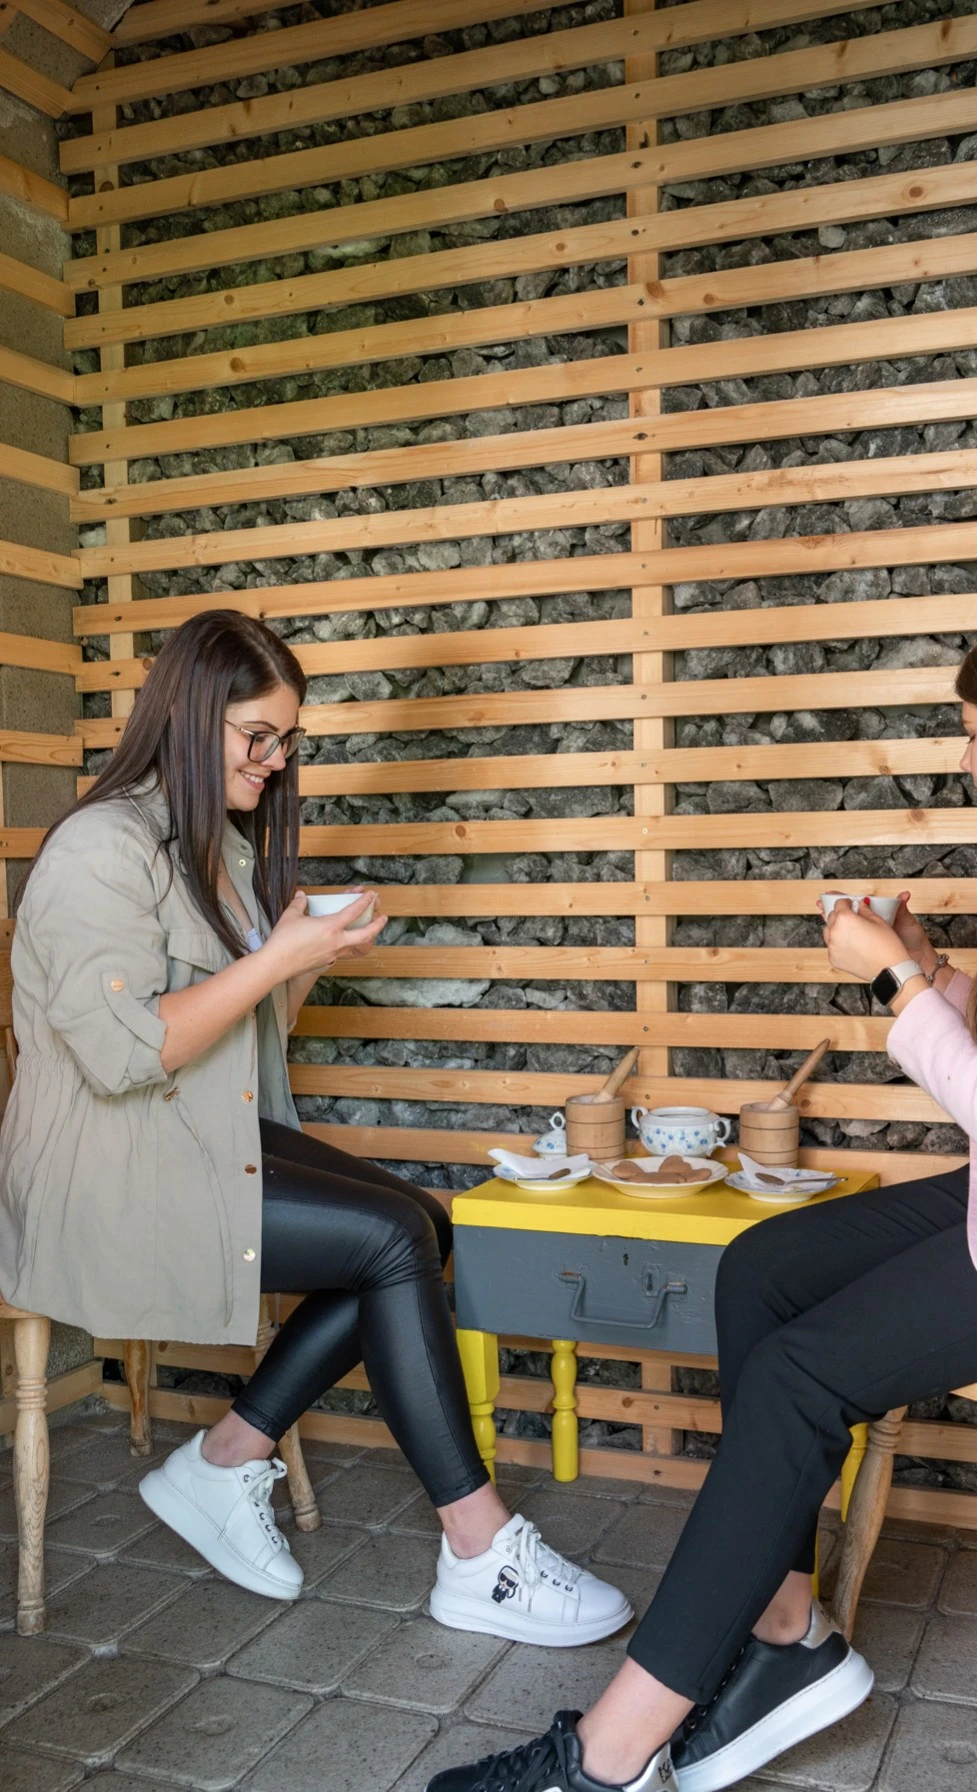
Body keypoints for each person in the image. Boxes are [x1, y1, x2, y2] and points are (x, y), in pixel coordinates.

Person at [415, 611, 977, 1792]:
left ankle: (609, 1766)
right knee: (763, 1264)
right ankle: (785, 1633)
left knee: (801, 1377)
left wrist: (895, 989)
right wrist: (927, 969)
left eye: (974, 733)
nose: (964, 759)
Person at [0, 609, 630, 1649]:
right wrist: (275, 959)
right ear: (190, 716)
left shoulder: (216, 846)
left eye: (288, 738)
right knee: (390, 1241)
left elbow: (253, 1042)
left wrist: (304, 960)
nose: (276, 759)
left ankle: (224, 1459)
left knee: (422, 1223)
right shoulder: (99, 849)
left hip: (185, 1140)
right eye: (258, 735)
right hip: (104, 1177)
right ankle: (478, 1548)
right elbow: (124, 1053)